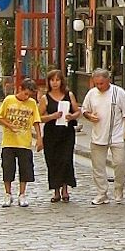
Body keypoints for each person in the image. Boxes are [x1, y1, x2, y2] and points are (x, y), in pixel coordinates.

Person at [81, 68, 125, 205]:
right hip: (98, 135)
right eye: (97, 84)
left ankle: (119, 188)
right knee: (98, 166)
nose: (99, 86)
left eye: (102, 84)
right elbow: (84, 110)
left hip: (116, 135)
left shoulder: (119, 93)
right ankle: (101, 193)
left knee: (120, 163)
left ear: (108, 81)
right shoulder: (91, 94)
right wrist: (89, 116)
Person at [0, 78, 43, 208]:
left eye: (30, 95)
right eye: (26, 94)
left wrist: (39, 138)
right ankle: (8, 194)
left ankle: (22, 194)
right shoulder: (9, 100)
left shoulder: (32, 103)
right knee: (8, 168)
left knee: (25, 169)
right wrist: (9, 125)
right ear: (20, 89)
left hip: (24, 142)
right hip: (9, 142)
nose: (27, 97)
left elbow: (36, 121)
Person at [38, 69, 81, 202]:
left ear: (61, 81)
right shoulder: (45, 98)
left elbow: (78, 111)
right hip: (51, 133)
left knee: (65, 160)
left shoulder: (69, 95)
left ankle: (65, 189)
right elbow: (38, 117)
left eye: (57, 80)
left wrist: (72, 116)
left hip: (66, 133)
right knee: (53, 161)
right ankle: (56, 191)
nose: (55, 83)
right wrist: (52, 116)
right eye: (52, 80)